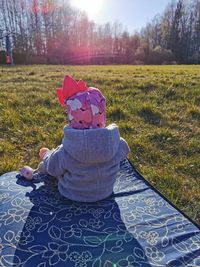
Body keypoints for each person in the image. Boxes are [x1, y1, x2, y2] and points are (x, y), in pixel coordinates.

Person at [20, 75, 130, 202]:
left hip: (72, 195)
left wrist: (46, 155)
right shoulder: (117, 143)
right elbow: (124, 152)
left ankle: (34, 171)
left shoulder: (66, 151)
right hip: (105, 192)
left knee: (49, 166)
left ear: (73, 118)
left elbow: (52, 169)